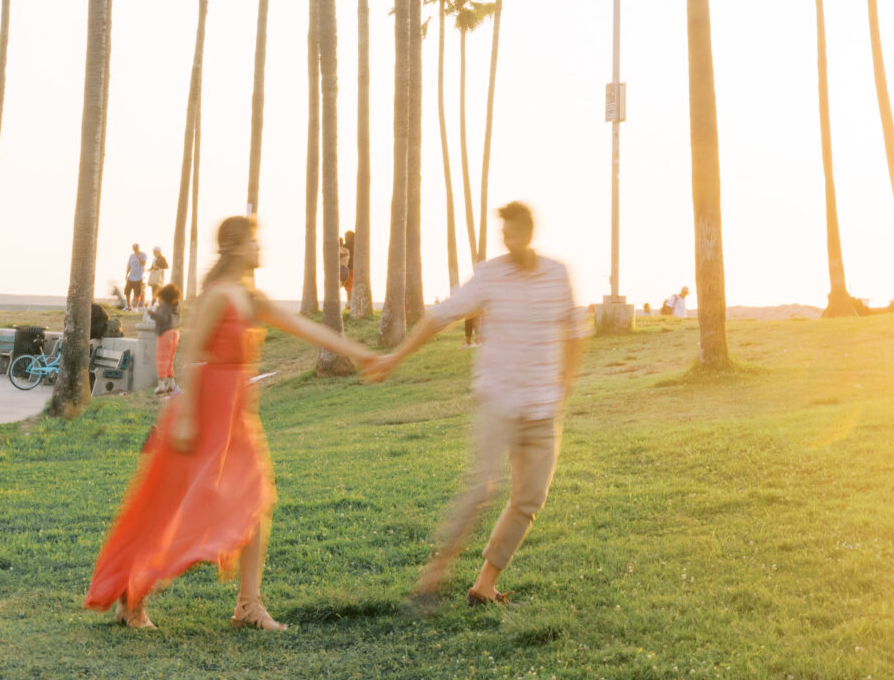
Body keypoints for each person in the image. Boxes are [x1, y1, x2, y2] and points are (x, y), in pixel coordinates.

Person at [85, 213, 379, 630]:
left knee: (257, 499)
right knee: (180, 508)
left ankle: (248, 605)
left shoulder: (249, 297)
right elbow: (191, 355)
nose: (261, 249)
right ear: (238, 247)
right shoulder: (220, 295)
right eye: (255, 241)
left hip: (237, 413)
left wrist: (362, 354)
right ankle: (132, 595)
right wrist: (185, 420)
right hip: (204, 412)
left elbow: (303, 327)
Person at [371, 200, 586, 608]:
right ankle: (431, 580)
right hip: (498, 402)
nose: (509, 240)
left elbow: (576, 328)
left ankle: (484, 584)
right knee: (479, 490)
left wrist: (566, 380)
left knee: (529, 499)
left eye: (515, 232)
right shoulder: (491, 275)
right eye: (504, 234)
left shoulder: (556, 275)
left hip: (541, 406)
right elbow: (441, 316)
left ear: (530, 232)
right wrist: (394, 357)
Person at [151, 282, 182, 394]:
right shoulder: (176, 305)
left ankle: (161, 385)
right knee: (169, 359)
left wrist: (152, 314)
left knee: (161, 358)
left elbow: (162, 319)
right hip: (175, 332)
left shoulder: (164, 306)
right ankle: (171, 383)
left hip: (165, 333)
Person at [125, 244, 146, 309]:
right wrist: (126, 274)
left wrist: (138, 256)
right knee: (127, 291)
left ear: (138, 248)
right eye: (134, 248)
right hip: (131, 277)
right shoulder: (131, 255)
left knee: (137, 293)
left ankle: (136, 307)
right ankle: (129, 306)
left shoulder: (143, 255)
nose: (135, 249)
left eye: (136, 248)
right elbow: (129, 265)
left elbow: (143, 263)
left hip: (138, 277)